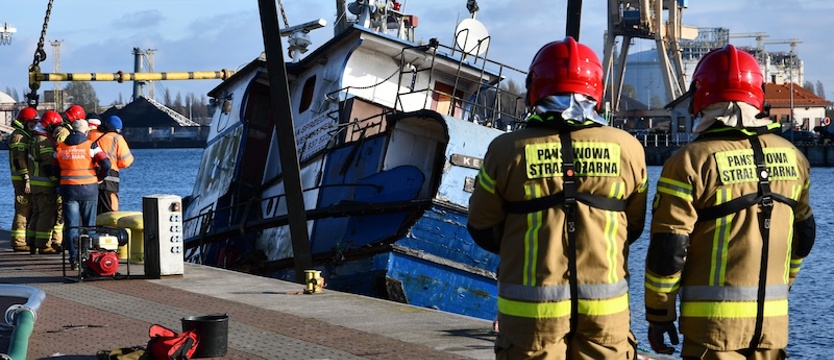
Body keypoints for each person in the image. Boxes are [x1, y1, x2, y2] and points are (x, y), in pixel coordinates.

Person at [467, 37, 648, 359]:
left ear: (536, 88)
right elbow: (632, 227)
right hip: (606, 309)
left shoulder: (506, 149)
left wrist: (521, 243)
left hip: (531, 309)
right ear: (597, 89)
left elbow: (481, 226)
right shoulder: (629, 148)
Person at [644, 45, 815, 359]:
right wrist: (784, 282)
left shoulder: (690, 161)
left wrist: (659, 314)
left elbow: (669, 249)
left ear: (701, 95)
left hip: (712, 331)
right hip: (773, 328)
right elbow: (804, 236)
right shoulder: (795, 158)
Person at [54, 119, 111, 270]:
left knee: (71, 226)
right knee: (88, 226)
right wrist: (100, 177)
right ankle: (88, 258)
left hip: (68, 190)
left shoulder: (60, 147)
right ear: (86, 132)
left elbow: (53, 169)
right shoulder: (91, 145)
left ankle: (74, 259)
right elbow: (106, 164)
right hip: (89, 189)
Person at [27, 110, 63, 255]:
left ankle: (32, 242)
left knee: (36, 213)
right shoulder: (45, 141)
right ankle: (43, 245)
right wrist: (56, 181)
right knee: (46, 216)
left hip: (35, 184)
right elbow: (48, 165)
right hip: (45, 185)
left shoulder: (34, 138)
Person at [7, 107, 39, 252]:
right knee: (22, 209)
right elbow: (19, 159)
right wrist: (26, 177)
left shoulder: (25, 134)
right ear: (25, 122)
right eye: (31, 122)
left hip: (25, 178)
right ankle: (19, 242)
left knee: (27, 209)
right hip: (21, 179)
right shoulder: (19, 137)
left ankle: (24, 239)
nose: (34, 125)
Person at [93, 115, 134, 214]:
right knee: (110, 211)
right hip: (110, 178)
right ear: (118, 129)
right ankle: (109, 229)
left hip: (91, 177)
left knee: (93, 210)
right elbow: (127, 162)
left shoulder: (91, 134)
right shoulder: (117, 138)